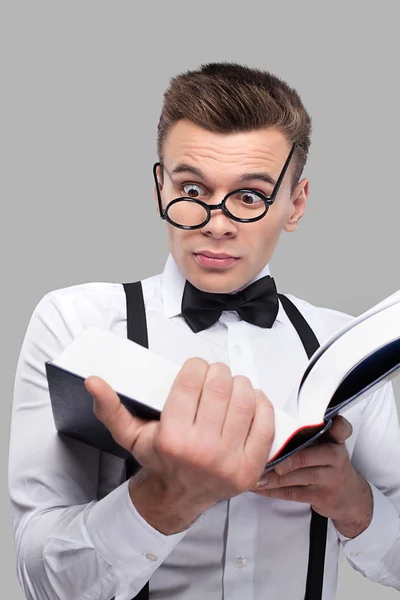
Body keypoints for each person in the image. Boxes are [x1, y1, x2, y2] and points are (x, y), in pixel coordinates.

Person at [8, 62, 400, 600]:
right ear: (159, 189)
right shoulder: (78, 323)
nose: (217, 222)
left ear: (296, 203)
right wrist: (165, 497)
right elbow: (40, 580)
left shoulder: (344, 352)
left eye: (249, 195)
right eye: (193, 188)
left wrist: (355, 504)